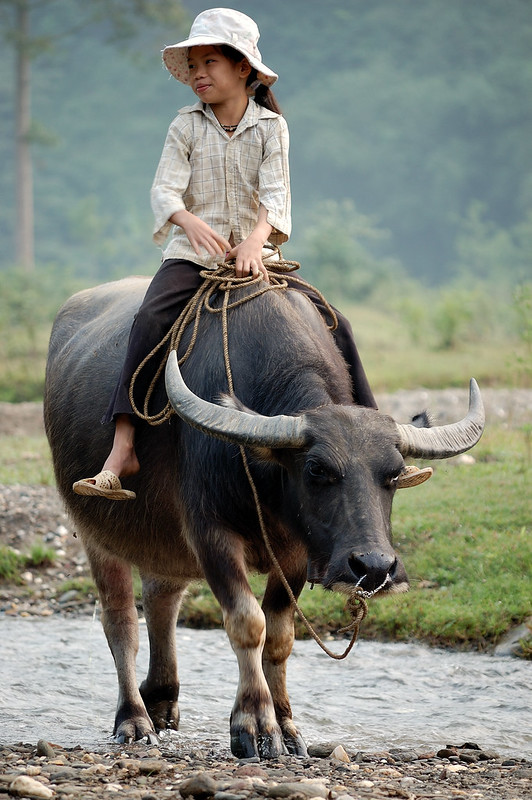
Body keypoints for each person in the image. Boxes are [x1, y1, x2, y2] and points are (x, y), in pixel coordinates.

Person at [73, 7, 378, 501]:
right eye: (192, 65)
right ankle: (123, 444)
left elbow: (277, 198)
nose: (198, 74)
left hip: (258, 258)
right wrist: (189, 221)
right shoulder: (184, 126)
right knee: (149, 319)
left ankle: (373, 439)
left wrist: (257, 242)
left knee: (335, 323)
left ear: (243, 69)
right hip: (192, 257)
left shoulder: (271, 127)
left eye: (209, 62)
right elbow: (164, 191)